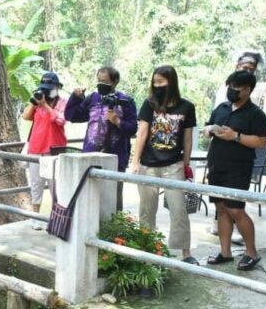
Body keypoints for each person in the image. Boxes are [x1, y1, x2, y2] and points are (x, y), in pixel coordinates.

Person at [130, 65, 198, 264]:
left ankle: (185, 253)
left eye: (161, 82)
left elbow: (187, 138)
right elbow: (142, 133)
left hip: (173, 165)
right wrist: (135, 161)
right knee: (147, 209)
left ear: (172, 82)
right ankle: (148, 249)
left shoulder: (186, 107)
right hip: (148, 165)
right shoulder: (149, 104)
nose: (157, 85)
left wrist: (186, 163)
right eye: (155, 82)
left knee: (179, 209)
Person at [203, 70, 266, 271]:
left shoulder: (255, 114)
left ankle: (251, 252)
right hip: (216, 165)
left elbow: (261, 141)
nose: (231, 91)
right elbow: (208, 126)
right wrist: (208, 130)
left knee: (236, 209)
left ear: (247, 90)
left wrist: (236, 136)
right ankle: (225, 252)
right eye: (229, 87)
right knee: (221, 209)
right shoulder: (221, 108)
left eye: (236, 89)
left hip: (238, 168)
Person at [65, 66, 137, 210]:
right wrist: (75, 98)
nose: (100, 84)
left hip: (116, 157)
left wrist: (117, 121)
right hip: (90, 156)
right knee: (88, 196)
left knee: (114, 199)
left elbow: (133, 129)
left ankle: (114, 230)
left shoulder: (126, 101)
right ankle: (89, 229)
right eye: (98, 80)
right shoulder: (92, 98)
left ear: (115, 82)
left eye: (104, 81)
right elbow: (71, 116)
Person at [22, 71, 68, 229]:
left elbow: (61, 121)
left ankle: (57, 219)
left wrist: (46, 106)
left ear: (57, 88)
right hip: (36, 148)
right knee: (36, 184)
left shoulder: (62, 102)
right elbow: (26, 117)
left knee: (55, 186)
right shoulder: (37, 102)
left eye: (50, 88)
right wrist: (34, 102)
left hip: (54, 149)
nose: (47, 91)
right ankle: (35, 218)